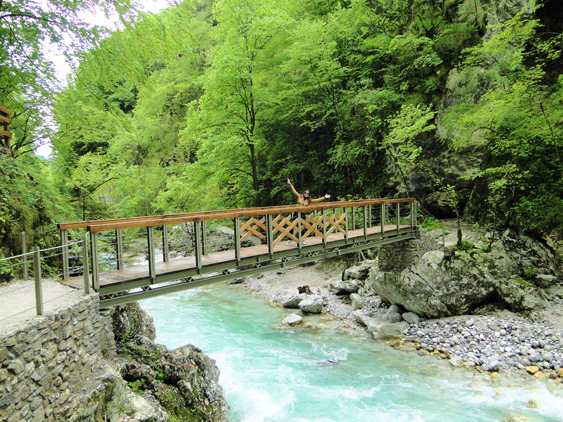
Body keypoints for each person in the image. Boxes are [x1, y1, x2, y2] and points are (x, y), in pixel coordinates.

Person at [286, 179, 331, 245]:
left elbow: (317, 200)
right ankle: (289, 240)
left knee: (302, 227)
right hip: (296, 213)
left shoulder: (309, 200)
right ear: (303, 193)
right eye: (305, 193)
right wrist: (290, 184)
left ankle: (302, 240)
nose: (306, 194)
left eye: (308, 193)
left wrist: (324, 197)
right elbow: (294, 191)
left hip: (303, 214)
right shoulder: (300, 196)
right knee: (292, 225)